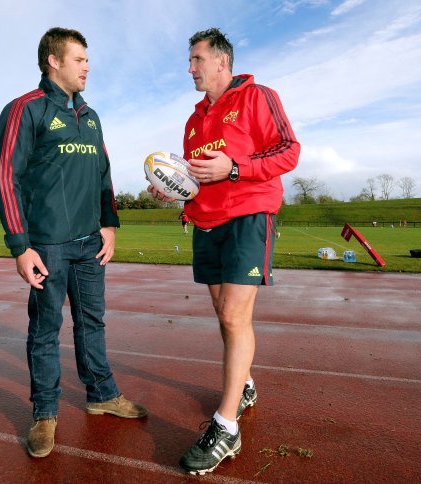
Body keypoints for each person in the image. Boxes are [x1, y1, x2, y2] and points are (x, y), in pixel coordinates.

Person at [149, 28, 300, 474]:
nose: (190, 68)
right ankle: (245, 383)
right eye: (190, 60)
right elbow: (195, 177)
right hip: (206, 221)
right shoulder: (194, 119)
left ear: (221, 62)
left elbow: (289, 151)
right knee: (223, 313)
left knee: (235, 315)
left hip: (249, 214)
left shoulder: (258, 96)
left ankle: (226, 426)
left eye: (196, 59)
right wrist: (174, 192)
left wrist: (235, 168)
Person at [0, 27, 147, 459]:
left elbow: (104, 175)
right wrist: (20, 245)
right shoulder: (26, 109)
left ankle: (102, 395)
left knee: (93, 323)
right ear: (53, 61)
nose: (87, 67)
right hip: (47, 246)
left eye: (87, 59)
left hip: (89, 244)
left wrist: (110, 224)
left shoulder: (92, 116)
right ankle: (44, 414)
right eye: (79, 59)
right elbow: (7, 176)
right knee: (45, 331)